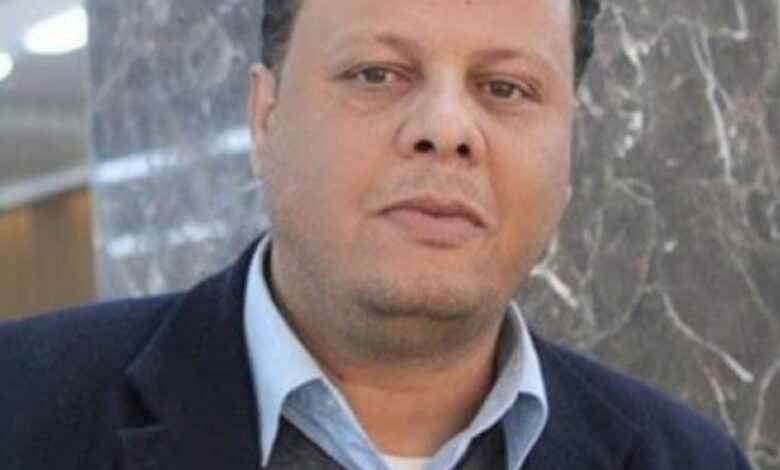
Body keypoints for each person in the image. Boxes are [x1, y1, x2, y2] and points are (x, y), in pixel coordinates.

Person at [0, 0, 753, 469]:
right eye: (377, 74)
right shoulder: (20, 407)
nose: (446, 129)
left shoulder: (688, 460)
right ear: (265, 118)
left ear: (569, 151)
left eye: (506, 88)